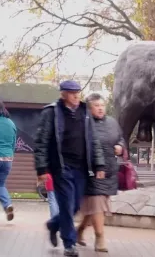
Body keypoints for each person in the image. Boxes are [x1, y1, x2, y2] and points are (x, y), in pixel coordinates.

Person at [34, 80, 105, 257]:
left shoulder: (85, 112)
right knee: (66, 205)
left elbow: (93, 140)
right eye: (72, 93)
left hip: (81, 168)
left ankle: (53, 225)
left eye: (78, 92)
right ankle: (69, 243)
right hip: (61, 167)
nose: (76, 96)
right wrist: (41, 168)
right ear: (63, 94)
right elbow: (41, 140)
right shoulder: (51, 112)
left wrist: (99, 164)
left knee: (74, 207)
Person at [76, 93, 124, 252]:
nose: (100, 108)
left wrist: (120, 147)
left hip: (109, 171)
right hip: (91, 172)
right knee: (97, 204)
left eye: (102, 105)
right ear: (89, 108)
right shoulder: (84, 124)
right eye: (96, 105)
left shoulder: (112, 122)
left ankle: (80, 230)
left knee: (95, 207)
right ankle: (100, 237)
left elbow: (121, 138)